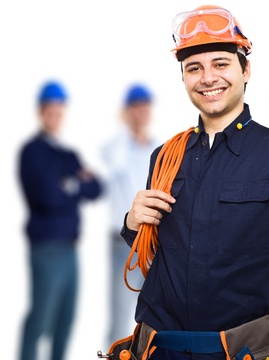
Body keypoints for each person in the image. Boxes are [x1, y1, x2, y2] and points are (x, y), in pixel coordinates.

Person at [102, 5, 269, 360]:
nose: (207, 78)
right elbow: (154, 248)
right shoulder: (165, 155)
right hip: (158, 349)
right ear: (184, 78)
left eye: (220, 63)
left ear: (245, 69)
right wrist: (132, 223)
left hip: (240, 351)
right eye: (194, 68)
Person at [18, 80, 103, 360]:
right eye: (50, 111)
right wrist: (75, 184)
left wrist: (68, 185)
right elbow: (47, 196)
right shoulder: (31, 152)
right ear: (41, 112)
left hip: (70, 249)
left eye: (59, 111)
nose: (55, 116)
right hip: (47, 249)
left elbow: (97, 188)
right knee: (41, 320)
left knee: (65, 320)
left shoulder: (67, 154)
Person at [101, 83, 159, 346]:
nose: (141, 113)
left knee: (155, 316)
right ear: (127, 112)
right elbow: (113, 166)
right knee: (119, 314)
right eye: (135, 108)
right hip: (123, 244)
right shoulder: (116, 147)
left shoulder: (158, 148)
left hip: (153, 242)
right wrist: (128, 131)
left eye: (145, 108)